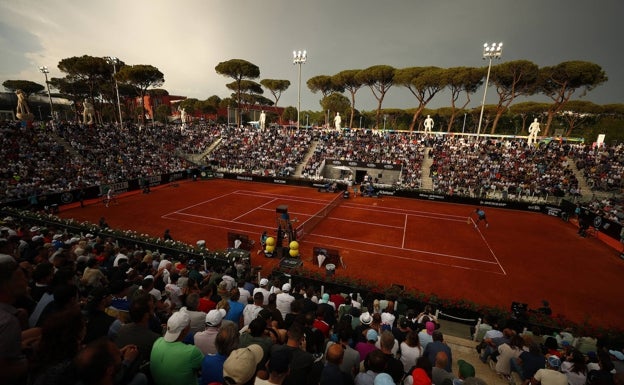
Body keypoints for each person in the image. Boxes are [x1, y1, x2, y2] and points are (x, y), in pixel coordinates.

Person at [150, 311, 204, 385]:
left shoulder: (157, 342)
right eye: (189, 324)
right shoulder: (192, 352)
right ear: (185, 330)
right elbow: (205, 367)